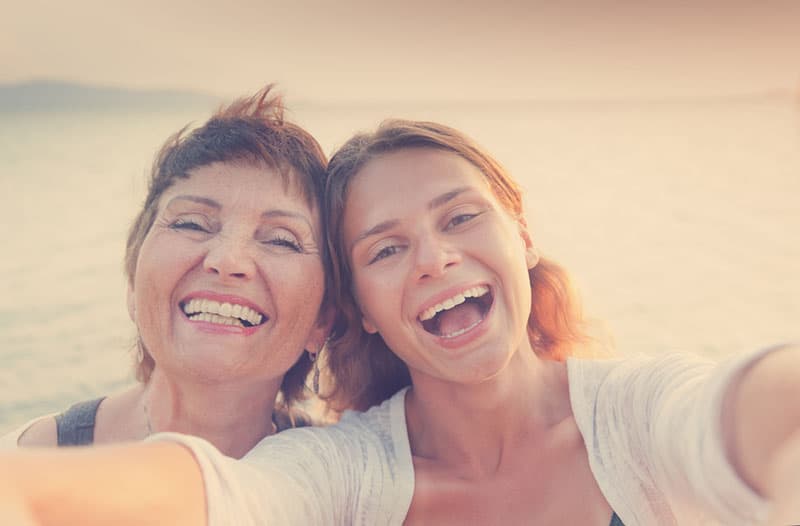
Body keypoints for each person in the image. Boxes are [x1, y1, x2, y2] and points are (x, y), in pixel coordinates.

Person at [1, 119, 798, 525]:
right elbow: (224, 494)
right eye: (385, 250)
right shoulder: (346, 471)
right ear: (361, 314)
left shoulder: (636, 415)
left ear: (521, 238)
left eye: (460, 218)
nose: (433, 260)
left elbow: (736, 411)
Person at [0, 85, 332, 458]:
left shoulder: (358, 493)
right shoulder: (24, 465)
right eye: (191, 224)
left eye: (281, 240)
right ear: (133, 280)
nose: (227, 260)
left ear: (324, 319)